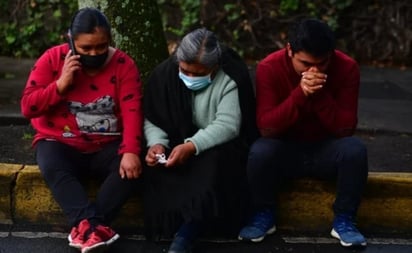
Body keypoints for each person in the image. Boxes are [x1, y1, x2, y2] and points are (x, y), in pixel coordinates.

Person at [21, 7, 143, 253]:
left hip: (107, 145)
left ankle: (89, 227)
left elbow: (133, 111)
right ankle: (94, 228)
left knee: (134, 166)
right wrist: (60, 85)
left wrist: (131, 150)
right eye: (86, 48)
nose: (94, 53)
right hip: (61, 143)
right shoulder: (52, 59)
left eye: (101, 46)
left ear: (110, 40)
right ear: (71, 41)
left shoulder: (123, 64)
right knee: (50, 161)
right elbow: (28, 107)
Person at [238, 18, 369, 248]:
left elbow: (346, 128)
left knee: (355, 150)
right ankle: (263, 214)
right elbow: (266, 127)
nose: (314, 71)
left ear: (332, 53)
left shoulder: (347, 67)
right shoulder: (269, 67)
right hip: (285, 149)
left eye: (322, 63)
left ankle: (344, 220)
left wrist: (318, 95)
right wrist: (300, 94)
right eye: (306, 63)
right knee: (260, 151)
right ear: (289, 50)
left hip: (326, 149)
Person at [143, 28, 258, 253]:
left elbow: (228, 124)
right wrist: (156, 144)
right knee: (152, 163)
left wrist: (192, 146)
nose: (191, 78)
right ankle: (170, 224)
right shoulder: (164, 75)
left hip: (215, 145)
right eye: (186, 71)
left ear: (214, 68)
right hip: (175, 143)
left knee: (215, 163)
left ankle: (190, 229)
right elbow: (153, 117)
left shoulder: (231, 76)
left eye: (199, 73)